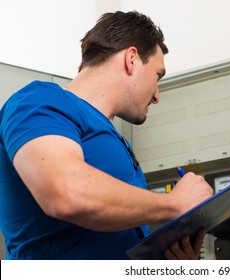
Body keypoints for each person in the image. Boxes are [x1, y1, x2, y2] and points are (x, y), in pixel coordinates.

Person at [0, 11, 213, 260]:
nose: (157, 95)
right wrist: (174, 203)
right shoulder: (39, 100)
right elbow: (65, 193)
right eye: (157, 76)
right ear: (131, 59)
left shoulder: (118, 141)